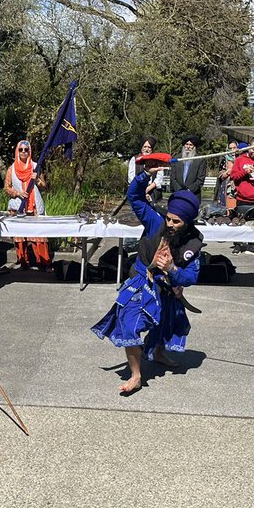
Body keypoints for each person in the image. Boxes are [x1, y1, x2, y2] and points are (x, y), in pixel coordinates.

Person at [92, 170, 203, 396]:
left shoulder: (193, 243)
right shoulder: (155, 221)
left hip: (168, 288)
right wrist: (145, 174)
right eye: (169, 218)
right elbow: (134, 196)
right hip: (142, 280)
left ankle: (158, 353)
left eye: (176, 221)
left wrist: (172, 269)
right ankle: (136, 375)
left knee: (165, 326)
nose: (170, 223)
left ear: (188, 222)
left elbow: (191, 276)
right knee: (129, 321)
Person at [3, 139, 51, 270]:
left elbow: (44, 186)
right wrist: (17, 193)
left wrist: (37, 180)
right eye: (21, 150)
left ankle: (43, 263)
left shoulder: (36, 166)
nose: (23, 152)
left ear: (30, 151)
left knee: (39, 235)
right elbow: (7, 188)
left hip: (34, 206)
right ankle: (23, 262)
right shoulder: (11, 169)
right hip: (19, 206)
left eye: (26, 150)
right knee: (20, 236)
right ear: (17, 151)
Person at [230, 140, 254, 210]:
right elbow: (233, 176)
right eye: (253, 149)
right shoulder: (239, 160)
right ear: (249, 147)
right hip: (242, 199)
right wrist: (245, 172)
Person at [127, 136, 166, 204]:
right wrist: (142, 191)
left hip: (152, 192)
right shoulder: (134, 159)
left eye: (149, 147)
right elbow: (131, 178)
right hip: (138, 191)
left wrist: (148, 189)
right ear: (142, 147)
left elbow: (159, 178)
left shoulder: (157, 161)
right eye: (145, 146)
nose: (146, 149)